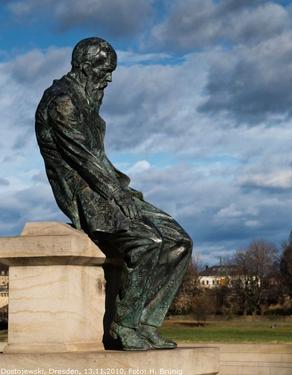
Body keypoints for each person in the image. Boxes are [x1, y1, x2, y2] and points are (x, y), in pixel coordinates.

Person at [35, 37, 192, 350]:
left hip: (107, 186)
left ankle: (146, 324)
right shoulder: (62, 101)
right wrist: (118, 195)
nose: (109, 78)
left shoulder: (86, 98)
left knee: (179, 242)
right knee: (149, 242)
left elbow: (98, 158)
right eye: (104, 71)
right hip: (84, 193)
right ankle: (124, 326)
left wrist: (125, 191)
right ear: (84, 67)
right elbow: (84, 159)